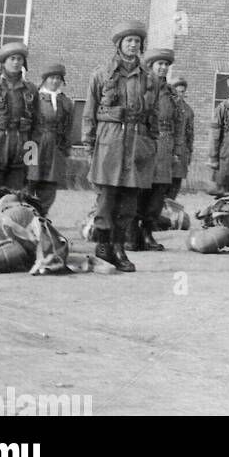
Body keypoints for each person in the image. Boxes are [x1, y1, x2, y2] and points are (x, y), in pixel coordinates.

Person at [82, 21, 159, 272]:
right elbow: (90, 112)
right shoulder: (101, 74)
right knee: (107, 197)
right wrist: (89, 143)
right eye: (129, 41)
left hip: (137, 142)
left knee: (129, 200)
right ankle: (103, 245)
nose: (133, 45)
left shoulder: (149, 78)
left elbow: (154, 115)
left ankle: (119, 246)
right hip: (109, 140)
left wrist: (151, 145)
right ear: (119, 45)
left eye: (137, 41)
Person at [0, 43, 43, 220]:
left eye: (19, 59)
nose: (16, 62)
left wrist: (31, 154)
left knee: (16, 193)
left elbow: (37, 124)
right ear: (3, 62)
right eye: (12, 59)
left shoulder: (31, 89)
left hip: (21, 144)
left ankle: (10, 227)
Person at [134, 48, 180, 251]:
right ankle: (131, 233)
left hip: (166, 145)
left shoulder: (171, 93)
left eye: (166, 65)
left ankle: (147, 232)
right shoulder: (142, 87)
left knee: (158, 194)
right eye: (159, 64)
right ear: (150, 66)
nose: (163, 68)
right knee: (139, 190)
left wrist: (177, 150)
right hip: (145, 143)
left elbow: (179, 122)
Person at [25, 63, 74, 217]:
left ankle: (42, 214)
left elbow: (68, 127)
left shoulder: (66, 102)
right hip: (33, 145)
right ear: (45, 80)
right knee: (29, 179)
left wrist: (65, 149)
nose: (54, 81)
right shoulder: (34, 98)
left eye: (58, 78)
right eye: (51, 78)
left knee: (50, 182)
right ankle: (25, 214)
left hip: (55, 145)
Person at [167, 74, 194, 200]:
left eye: (182, 92)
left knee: (175, 185)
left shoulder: (188, 110)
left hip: (181, 152)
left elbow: (190, 134)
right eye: (176, 91)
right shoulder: (166, 107)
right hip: (166, 151)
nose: (179, 95)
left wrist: (189, 154)